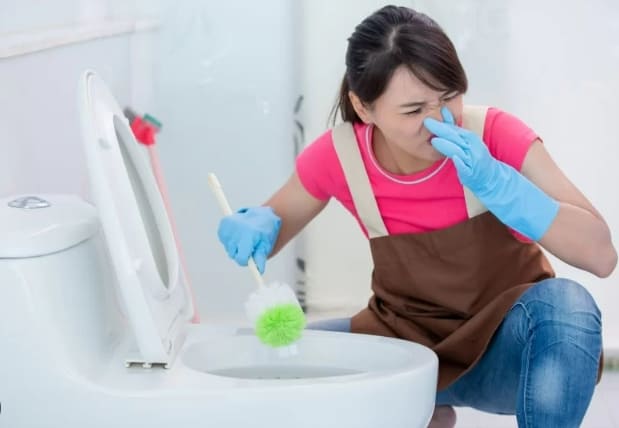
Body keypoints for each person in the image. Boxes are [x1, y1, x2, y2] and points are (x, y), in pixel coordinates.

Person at [216, 5, 617, 427]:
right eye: (413, 110)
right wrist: (259, 222)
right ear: (364, 107)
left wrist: (503, 187)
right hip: (403, 351)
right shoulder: (342, 155)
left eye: (449, 97)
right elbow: (274, 225)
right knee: (271, 356)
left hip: (504, 353)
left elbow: (601, 256)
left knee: (568, 305)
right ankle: (423, 413)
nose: (439, 120)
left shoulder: (495, 136)